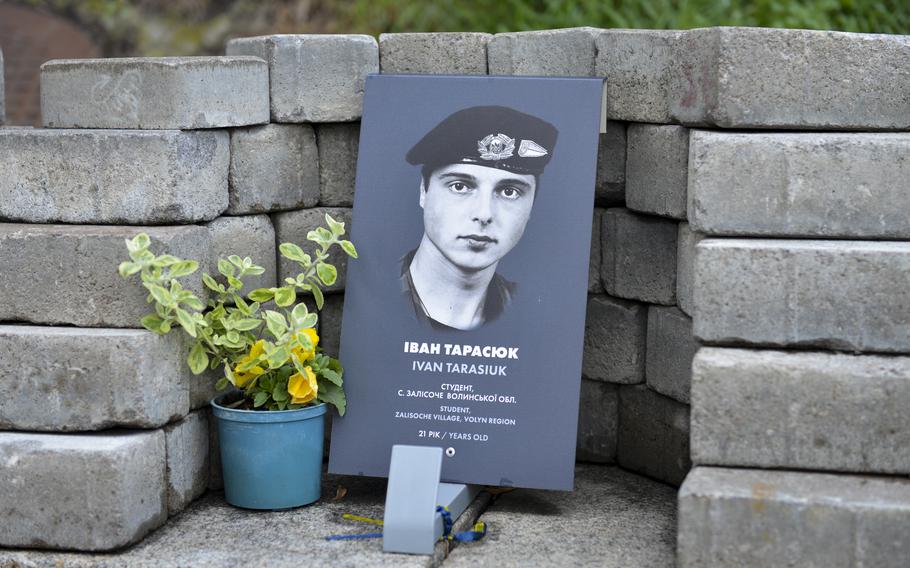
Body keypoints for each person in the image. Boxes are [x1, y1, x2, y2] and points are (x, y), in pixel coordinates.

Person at [401, 105, 559, 331]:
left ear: (532, 204)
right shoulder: (377, 295)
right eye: (459, 186)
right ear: (424, 192)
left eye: (509, 192)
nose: (484, 214)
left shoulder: (537, 319)